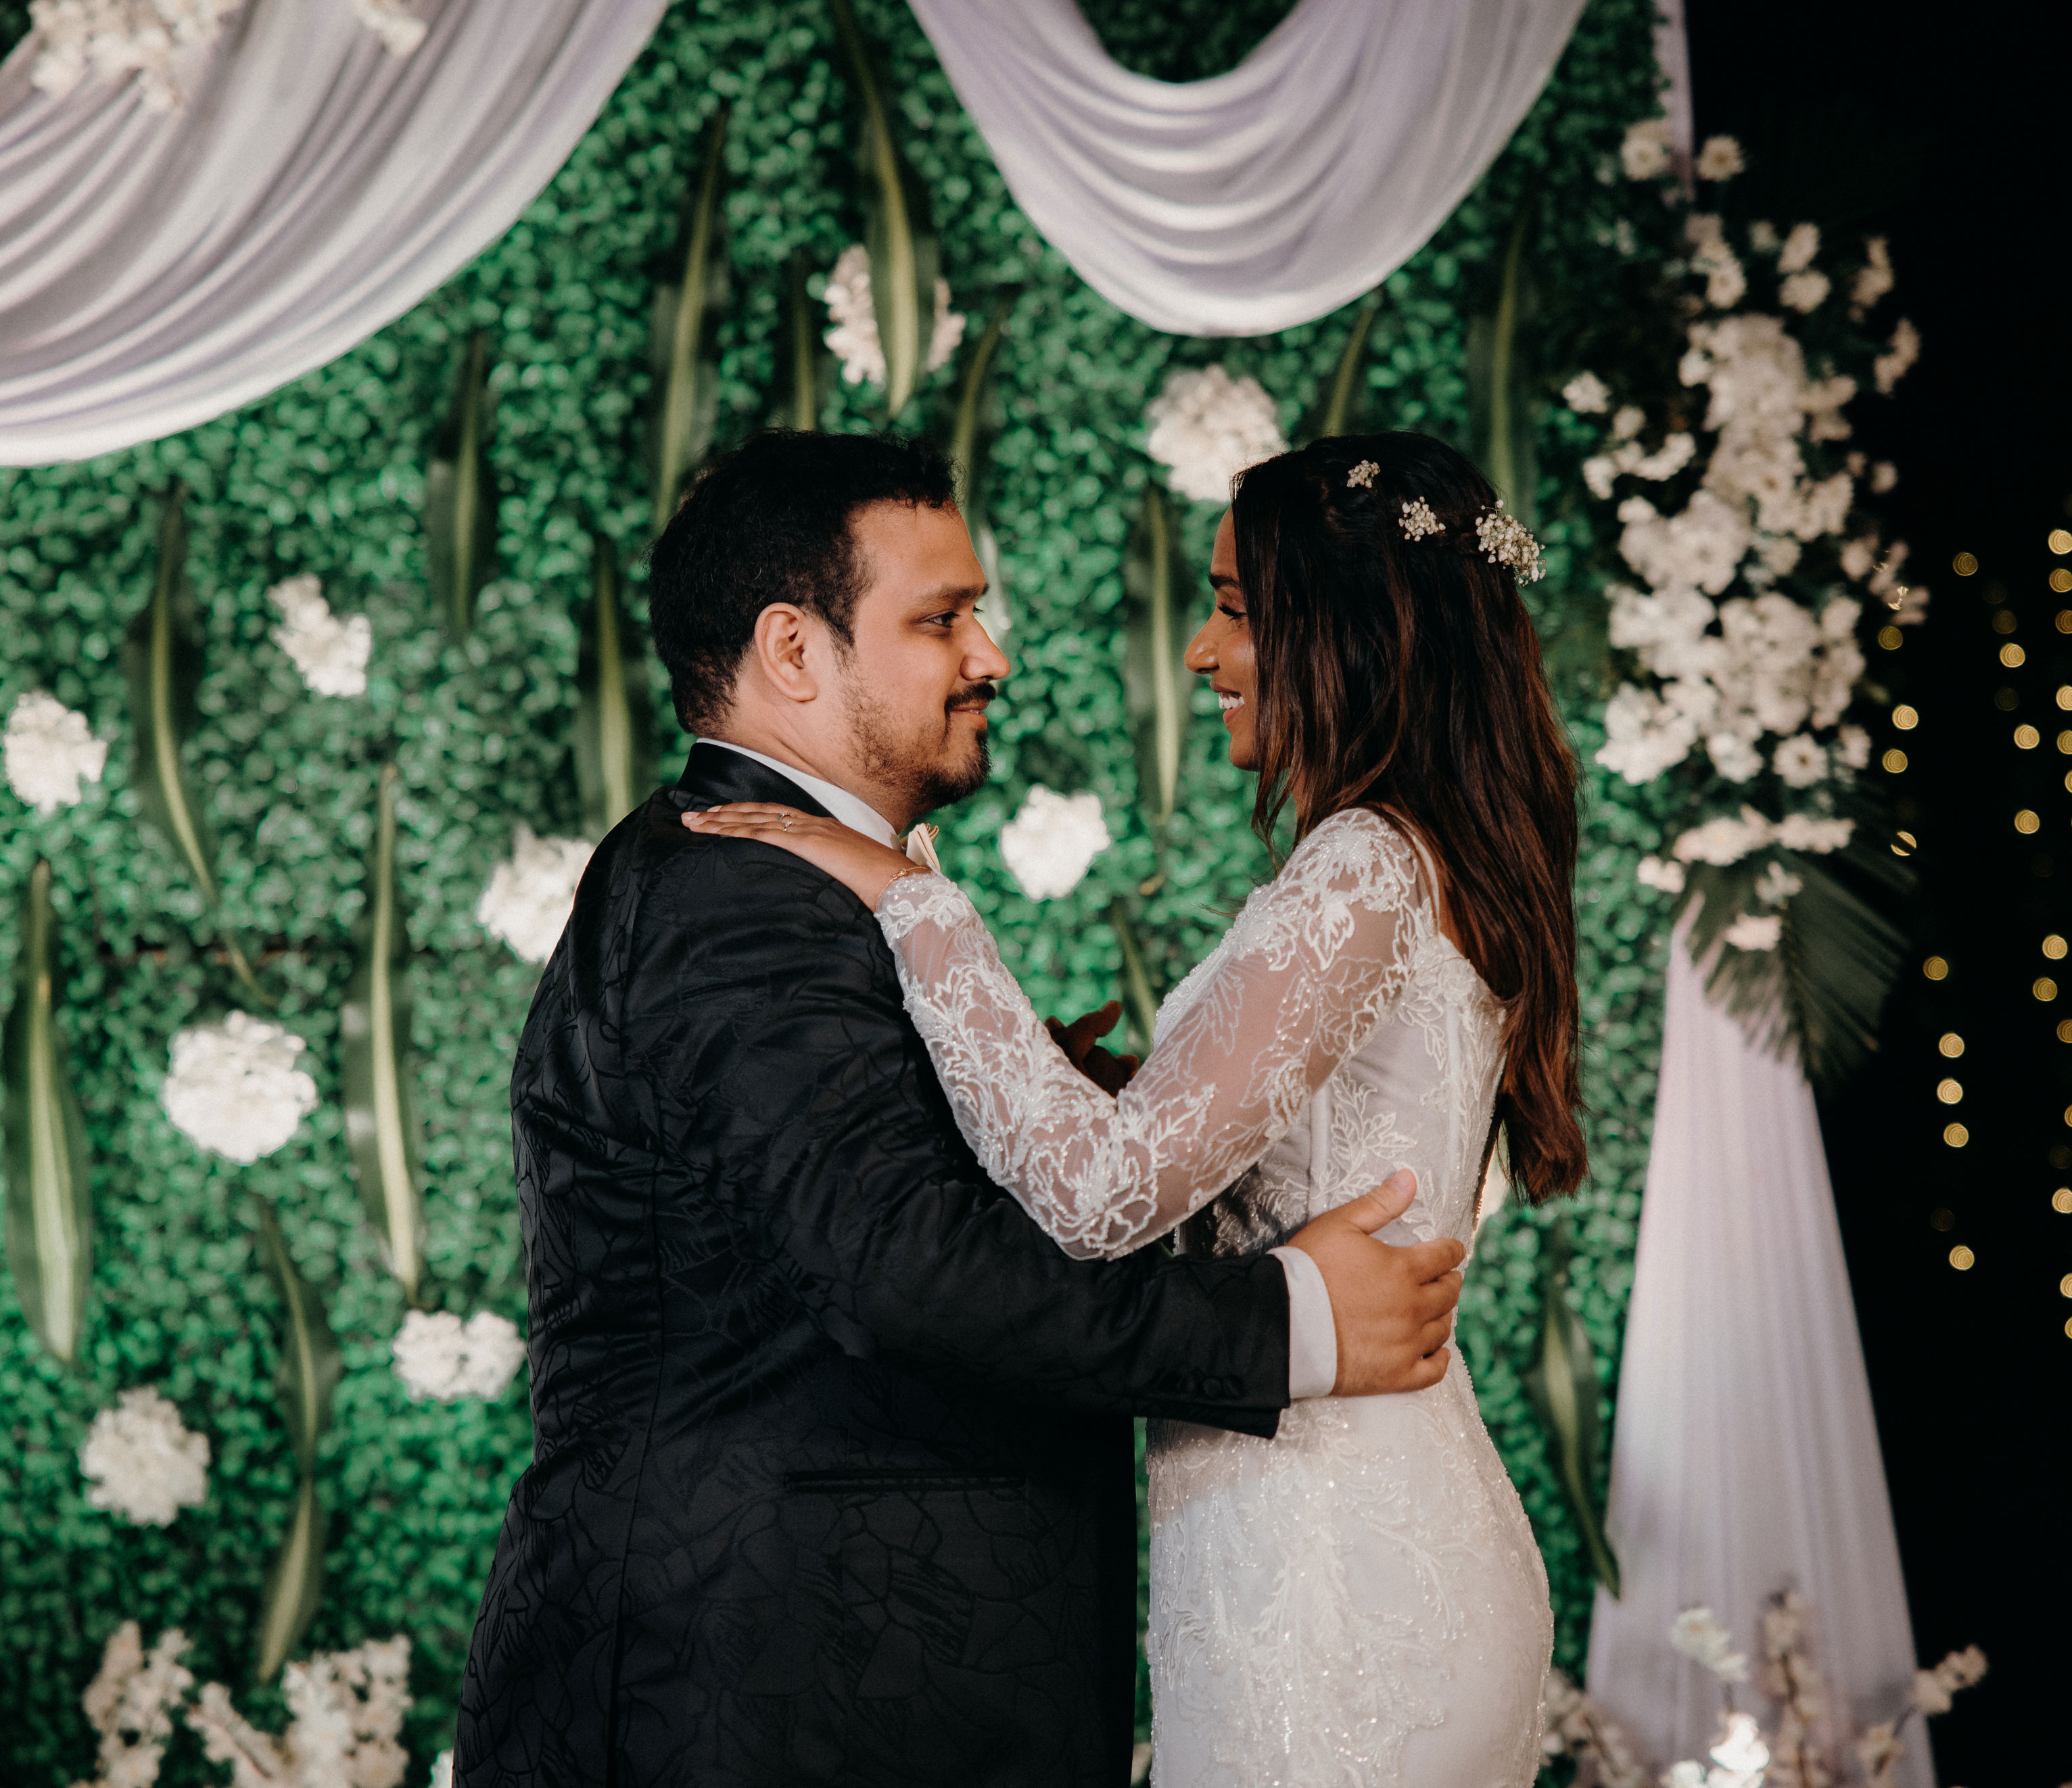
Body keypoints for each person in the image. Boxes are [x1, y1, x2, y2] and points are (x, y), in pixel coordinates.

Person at [455, 431, 1471, 1788]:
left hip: (847, 1686)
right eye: (941, 619)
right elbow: (903, 1268)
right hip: (760, 1695)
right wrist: (1290, 1320)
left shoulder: (788, 884)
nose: (989, 654)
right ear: (793, 650)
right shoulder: (734, 898)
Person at [692, 430, 1584, 1787]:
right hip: (1358, 1525)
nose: (1200, 652)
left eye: (1233, 610)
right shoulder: (1431, 855)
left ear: (1347, 631)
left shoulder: (1362, 861)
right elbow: (1213, 1160)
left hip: (1331, 1573)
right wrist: (1088, 1084)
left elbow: (1100, 1196)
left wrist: (912, 899)